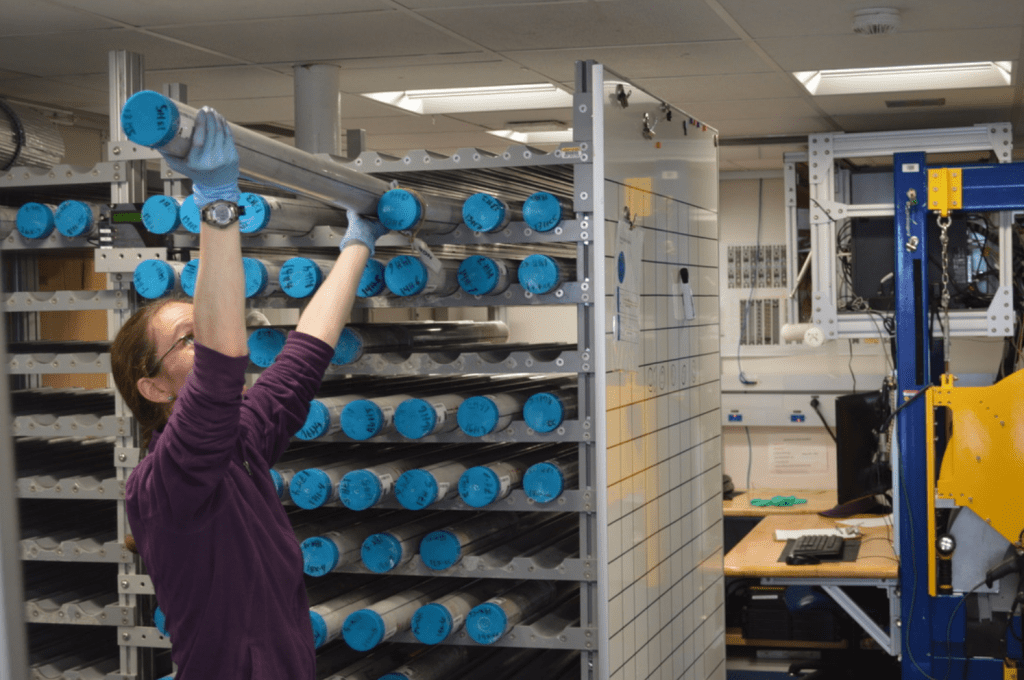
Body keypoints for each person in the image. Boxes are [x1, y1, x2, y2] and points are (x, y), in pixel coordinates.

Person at [111, 106, 386, 680]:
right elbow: (221, 365)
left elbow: (304, 356)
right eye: (190, 338)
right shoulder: (170, 479)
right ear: (152, 386)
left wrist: (359, 241)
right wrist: (215, 199)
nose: (210, 341)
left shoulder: (240, 445)